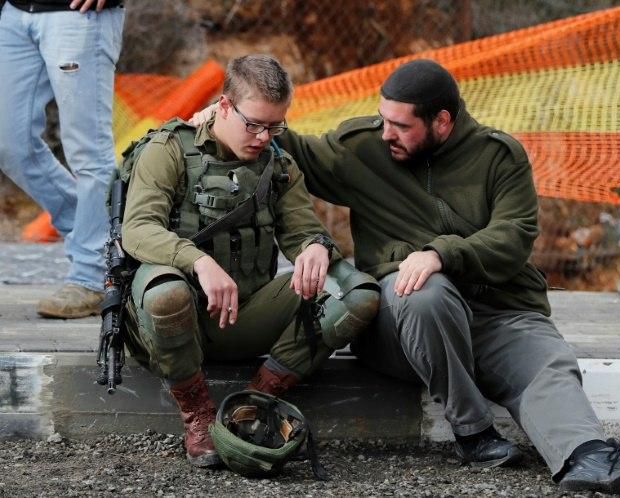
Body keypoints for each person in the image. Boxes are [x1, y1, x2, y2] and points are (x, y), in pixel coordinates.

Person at [196, 58, 620, 495]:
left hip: (495, 314)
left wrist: (441, 253)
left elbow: (513, 237)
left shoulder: (499, 157)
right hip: (402, 324)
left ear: (442, 121)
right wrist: (225, 118)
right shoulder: (364, 147)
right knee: (425, 292)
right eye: (383, 119)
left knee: (548, 363)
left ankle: (587, 457)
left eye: (401, 126)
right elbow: (289, 145)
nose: (386, 133)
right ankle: (473, 432)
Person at [120, 54, 379, 468]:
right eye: (254, 124)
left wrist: (316, 246)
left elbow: (302, 231)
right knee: (166, 293)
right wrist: (197, 262)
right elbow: (137, 229)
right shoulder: (168, 150)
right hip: (171, 318)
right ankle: (198, 415)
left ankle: (255, 402)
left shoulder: (279, 165)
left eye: (275, 127)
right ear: (224, 106)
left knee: (358, 295)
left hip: (246, 313)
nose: (263, 137)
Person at [0, 0, 124, 318]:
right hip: (14, 13)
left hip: (77, 14)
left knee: (88, 151)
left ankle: (93, 277)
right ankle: (102, 236)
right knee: (9, 143)